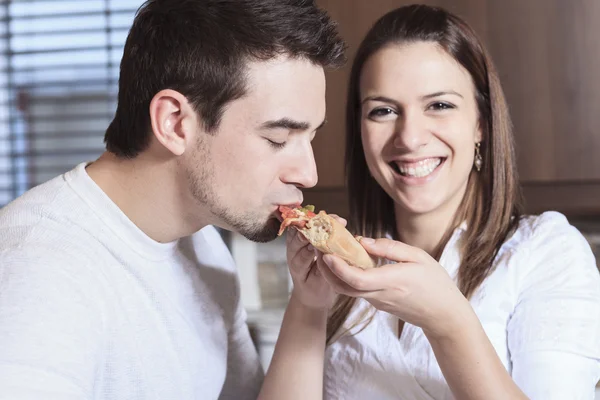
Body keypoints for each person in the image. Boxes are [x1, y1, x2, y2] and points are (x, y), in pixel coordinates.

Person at [0, 0, 346, 399]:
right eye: (278, 139)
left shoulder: (200, 239)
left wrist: (310, 301)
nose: (309, 174)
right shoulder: (38, 277)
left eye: (311, 137)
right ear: (174, 123)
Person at [281, 4, 600, 400]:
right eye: (383, 111)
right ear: (359, 130)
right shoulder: (338, 268)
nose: (410, 138)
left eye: (439, 105)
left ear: (481, 122)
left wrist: (448, 323)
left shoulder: (545, 252)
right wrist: (308, 305)